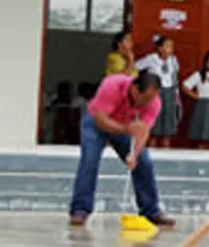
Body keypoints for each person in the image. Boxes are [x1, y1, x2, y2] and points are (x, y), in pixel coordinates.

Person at [68, 71, 175, 229]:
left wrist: (134, 155)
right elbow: (100, 119)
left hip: (126, 126)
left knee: (144, 162)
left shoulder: (154, 102)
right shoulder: (112, 85)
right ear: (135, 89)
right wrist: (126, 129)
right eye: (145, 98)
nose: (148, 103)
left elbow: (143, 131)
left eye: (152, 98)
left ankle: (151, 211)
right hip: (97, 123)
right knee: (89, 161)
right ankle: (80, 209)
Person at [136, 35, 181, 147]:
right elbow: (136, 67)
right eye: (167, 46)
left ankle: (166, 144)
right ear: (160, 48)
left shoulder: (173, 60)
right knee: (155, 119)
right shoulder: (151, 59)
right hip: (156, 92)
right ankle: (152, 144)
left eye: (171, 46)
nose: (170, 48)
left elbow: (174, 77)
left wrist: (176, 94)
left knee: (168, 120)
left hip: (169, 92)